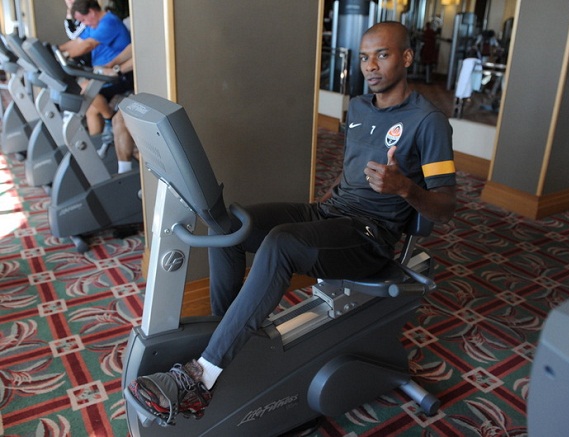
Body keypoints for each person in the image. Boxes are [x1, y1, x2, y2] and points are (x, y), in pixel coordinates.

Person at [125, 21, 457, 425]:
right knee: (229, 225)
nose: (370, 66)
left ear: (406, 57)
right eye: (364, 57)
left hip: (371, 235)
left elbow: (445, 206)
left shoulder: (428, 121)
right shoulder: (358, 106)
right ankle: (226, 339)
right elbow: (352, 176)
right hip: (332, 213)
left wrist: (404, 187)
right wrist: (327, 208)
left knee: (282, 243)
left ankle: (201, 376)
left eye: (382, 55)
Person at [58, 0, 132, 136]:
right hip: (102, 72)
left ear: (91, 12)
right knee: (91, 109)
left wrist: (66, 55)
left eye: (84, 20)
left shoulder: (109, 22)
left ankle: (109, 117)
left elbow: (88, 45)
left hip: (120, 75)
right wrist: (57, 50)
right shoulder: (94, 24)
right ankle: (97, 145)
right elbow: (78, 41)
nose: (84, 24)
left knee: (83, 88)